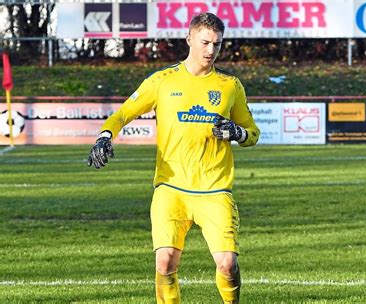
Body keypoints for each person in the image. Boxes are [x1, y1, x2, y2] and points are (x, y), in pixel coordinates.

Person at [87, 12, 260, 304]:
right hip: (170, 188)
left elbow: (253, 133)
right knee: (165, 262)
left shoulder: (230, 85)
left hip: (215, 189)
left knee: (228, 265)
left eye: (217, 44)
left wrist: (237, 133)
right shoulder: (162, 81)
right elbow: (122, 114)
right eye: (205, 42)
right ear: (189, 38)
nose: (211, 50)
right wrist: (105, 135)